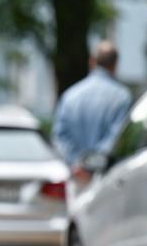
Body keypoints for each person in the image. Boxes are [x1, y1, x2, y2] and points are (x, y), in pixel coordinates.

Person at [52, 40, 131, 169]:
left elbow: (60, 136)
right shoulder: (122, 97)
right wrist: (93, 164)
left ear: (92, 61)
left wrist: (77, 163)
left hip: (74, 173)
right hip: (105, 174)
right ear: (115, 65)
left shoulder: (70, 95)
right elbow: (117, 138)